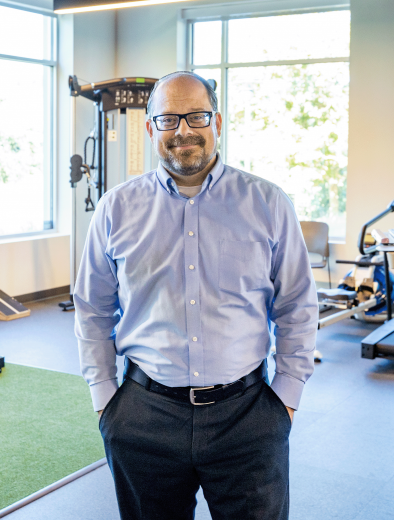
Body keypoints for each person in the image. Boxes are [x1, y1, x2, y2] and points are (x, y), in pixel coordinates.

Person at [74, 70, 319, 520]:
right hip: (142, 417)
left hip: (248, 417)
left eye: (196, 116)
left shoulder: (267, 202)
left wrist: (285, 398)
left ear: (217, 123)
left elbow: (297, 305)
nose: (183, 130)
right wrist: (105, 397)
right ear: (150, 129)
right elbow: (92, 308)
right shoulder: (116, 208)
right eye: (168, 119)